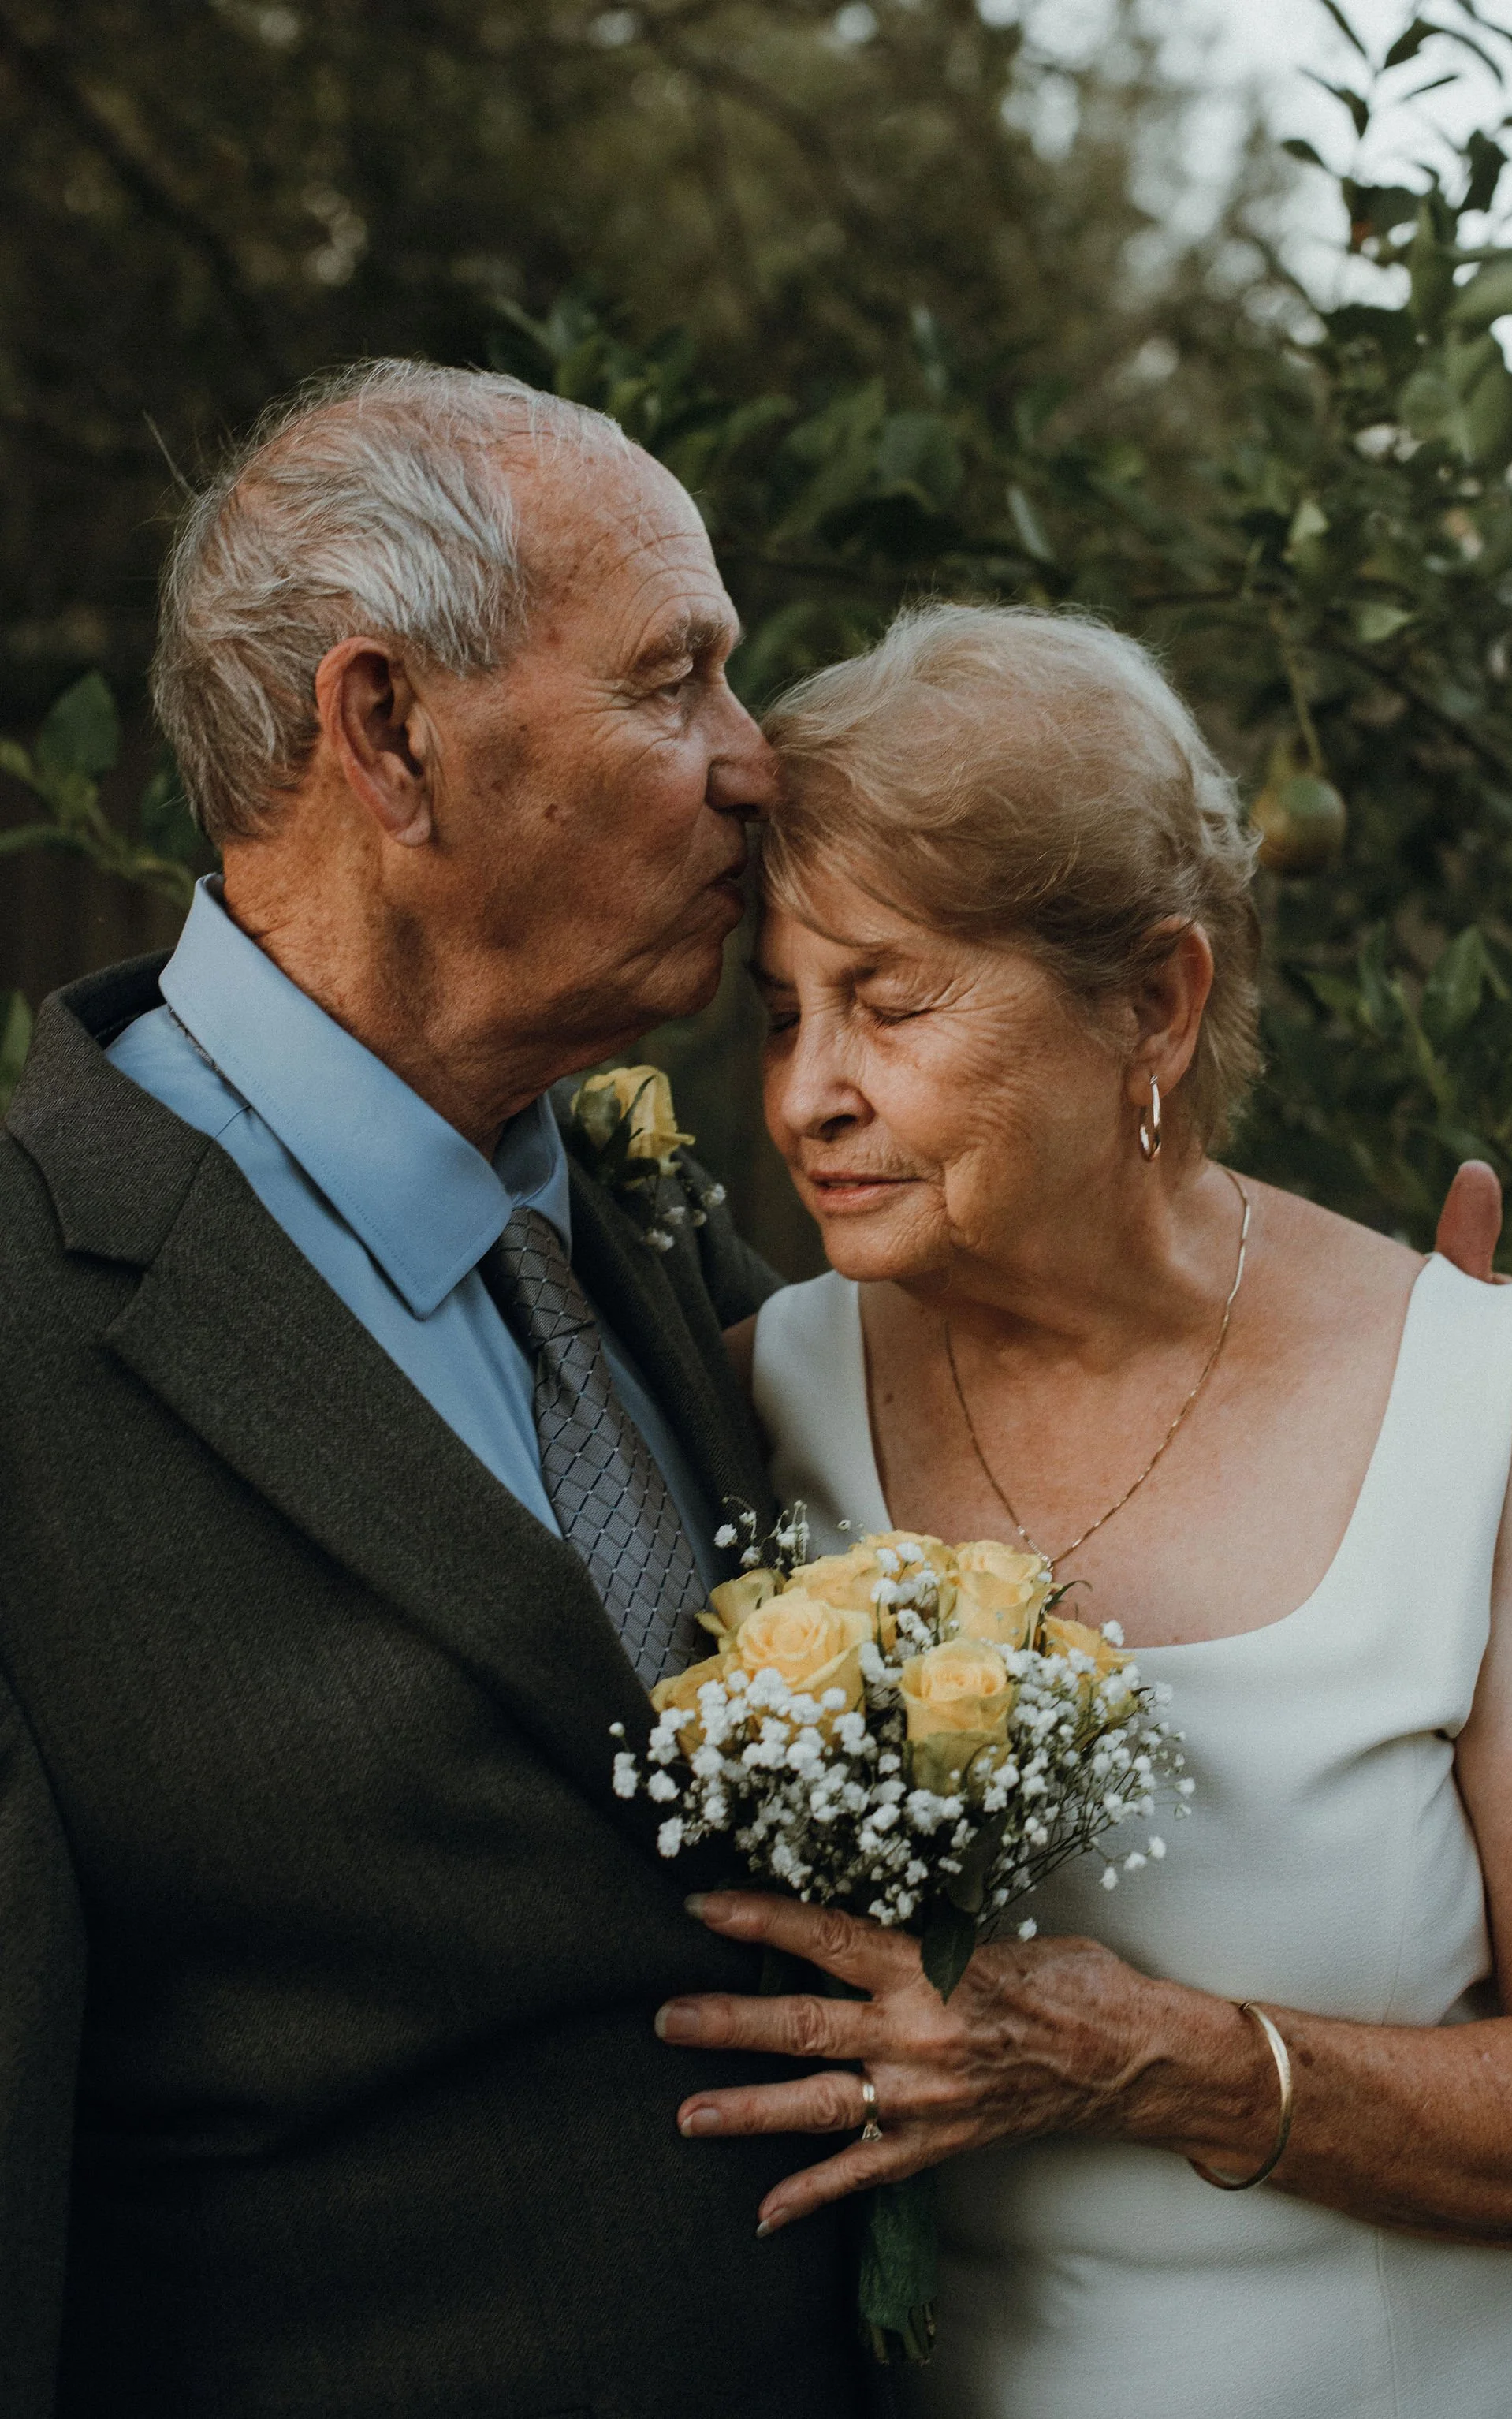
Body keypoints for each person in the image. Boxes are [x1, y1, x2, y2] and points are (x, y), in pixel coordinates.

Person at [0, 363, 867, 2417]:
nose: (761, 769)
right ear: (389, 733)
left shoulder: (662, 1223)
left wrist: (1435, 1383)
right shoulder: (33, 1325)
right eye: (679, 684)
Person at [651, 603, 1512, 2419]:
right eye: (783, 1012)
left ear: (1154, 1002)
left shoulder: (1492, 1401)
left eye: (891, 1001)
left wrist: (1180, 2067)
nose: (802, 1096)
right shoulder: (748, 1398)